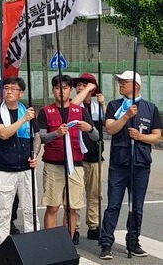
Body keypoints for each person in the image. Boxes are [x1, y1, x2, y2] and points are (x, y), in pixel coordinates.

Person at [98, 71, 162, 260]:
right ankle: (106, 243)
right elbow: (110, 128)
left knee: (138, 206)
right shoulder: (114, 106)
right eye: (120, 82)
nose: (120, 85)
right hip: (119, 163)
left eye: (124, 82)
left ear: (136, 85)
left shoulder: (150, 108)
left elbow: (157, 136)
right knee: (113, 205)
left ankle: (133, 241)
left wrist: (141, 137)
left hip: (141, 164)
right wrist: (126, 116)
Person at [37, 74, 99, 243]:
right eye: (57, 88)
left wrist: (88, 128)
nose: (61, 91)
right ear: (53, 90)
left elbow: (96, 136)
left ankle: (66, 244)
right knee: (52, 206)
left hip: (76, 165)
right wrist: (56, 133)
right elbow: (41, 138)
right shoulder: (45, 111)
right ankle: (51, 244)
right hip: (53, 164)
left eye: (65, 88)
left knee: (72, 208)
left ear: (70, 90)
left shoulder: (79, 111)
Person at [0, 76, 41, 245]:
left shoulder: (27, 111)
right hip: (4, 169)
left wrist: (35, 155)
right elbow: (3, 133)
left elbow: (36, 137)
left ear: (21, 93)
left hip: (26, 168)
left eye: (13, 89)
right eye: (6, 88)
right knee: (3, 213)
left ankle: (34, 246)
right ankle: (4, 249)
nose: (8, 92)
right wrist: (23, 120)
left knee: (31, 211)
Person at [70, 72, 106, 241]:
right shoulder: (75, 105)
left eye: (84, 85)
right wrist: (86, 91)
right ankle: (74, 228)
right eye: (78, 85)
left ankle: (94, 225)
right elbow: (73, 107)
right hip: (76, 156)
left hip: (94, 155)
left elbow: (108, 123)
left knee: (95, 193)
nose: (80, 88)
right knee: (74, 195)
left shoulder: (96, 105)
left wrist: (103, 104)